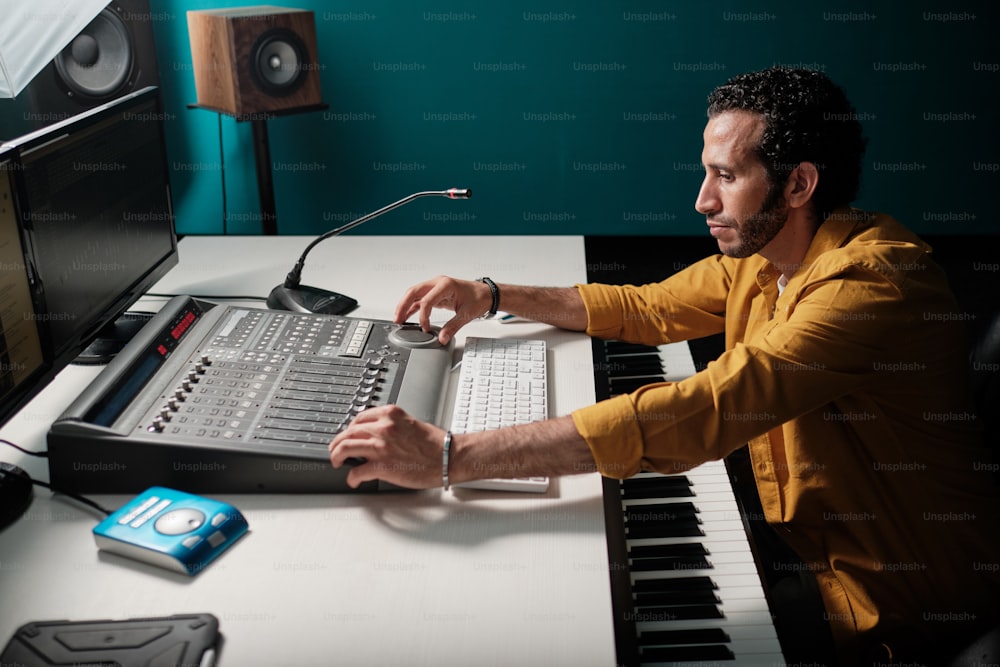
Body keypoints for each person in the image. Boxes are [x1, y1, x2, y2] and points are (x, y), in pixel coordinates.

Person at [329, 67, 1000, 663]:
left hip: (885, 609)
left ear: (799, 184)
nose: (703, 200)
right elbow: (649, 307)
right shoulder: (773, 259)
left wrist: (451, 455)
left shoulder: (871, 285)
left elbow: (704, 409)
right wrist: (494, 293)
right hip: (801, 552)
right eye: (706, 172)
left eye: (727, 177)